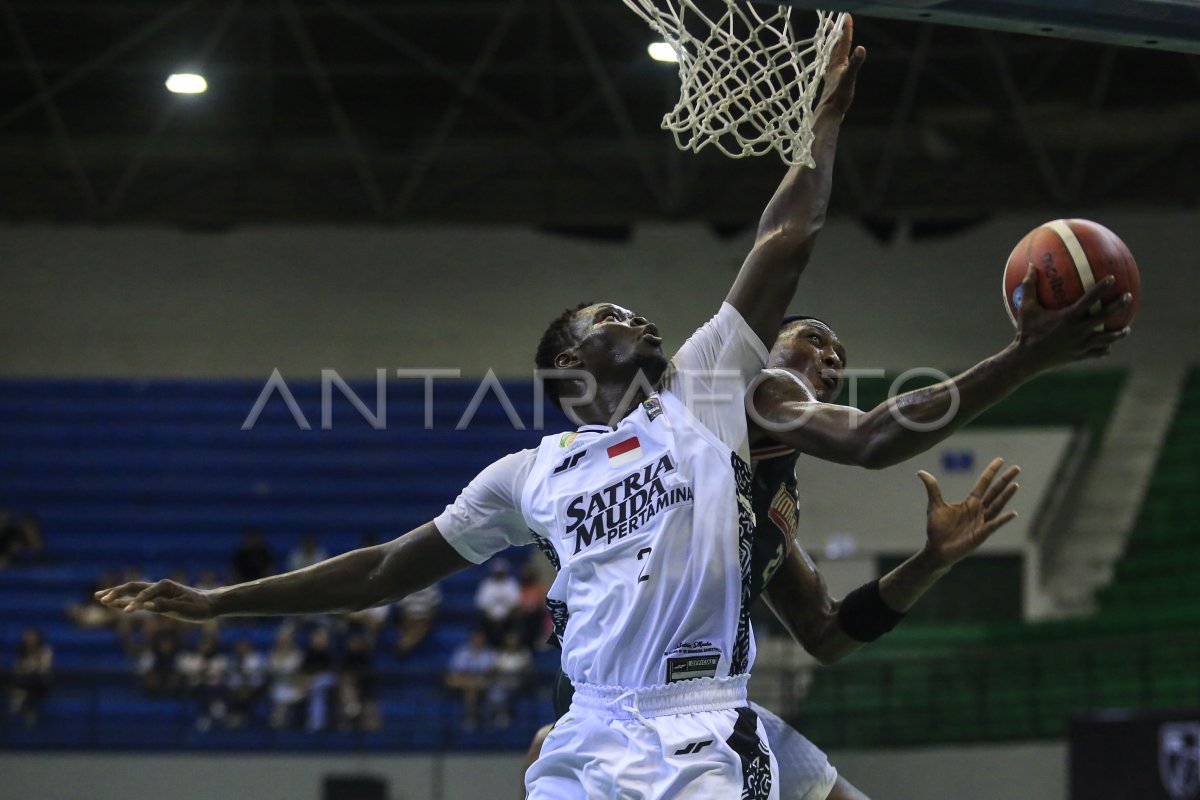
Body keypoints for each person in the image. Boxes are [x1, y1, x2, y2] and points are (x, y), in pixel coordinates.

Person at [97, 22, 865, 796]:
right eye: (614, 317)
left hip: (698, 723)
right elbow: (382, 571)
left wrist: (822, 124)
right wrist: (219, 603)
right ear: (570, 362)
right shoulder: (525, 476)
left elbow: (785, 239)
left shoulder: (695, 400)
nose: (642, 322)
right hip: (592, 734)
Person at [444, 628, 498, 732]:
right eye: (475, 637)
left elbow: (491, 673)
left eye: (480, 638)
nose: (478, 640)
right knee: (463, 686)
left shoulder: (490, 653)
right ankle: (471, 718)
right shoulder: (462, 651)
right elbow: (454, 672)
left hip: (484, 684)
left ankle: (471, 718)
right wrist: (468, 680)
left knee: (474, 689)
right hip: (464, 683)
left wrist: (477, 680)